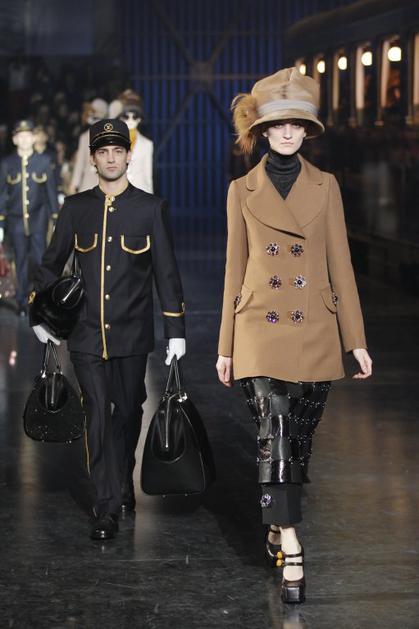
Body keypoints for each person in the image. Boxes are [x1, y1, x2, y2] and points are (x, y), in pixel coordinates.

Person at [216, 68, 372, 604]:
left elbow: (341, 265)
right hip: (258, 327)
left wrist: (355, 339)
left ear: (308, 130)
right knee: (276, 432)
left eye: (296, 124)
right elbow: (234, 268)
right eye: (277, 124)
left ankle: (275, 521)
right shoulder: (241, 191)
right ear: (262, 130)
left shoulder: (326, 187)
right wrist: (225, 346)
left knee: (298, 442)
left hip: (315, 329)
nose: (287, 132)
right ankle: (291, 543)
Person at [29, 118, 186, 541]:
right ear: (93, 159)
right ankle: (106, 504)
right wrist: (39, 313)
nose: (111, 158)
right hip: (85, 333)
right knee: (97, 414)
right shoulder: (75, 208)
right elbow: (50, 263)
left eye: (118, 151)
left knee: (129, 410)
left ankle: (121, 478)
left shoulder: (150, 209)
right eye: (103, 151)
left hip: (133, 334)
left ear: (128, 156)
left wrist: (176, 329)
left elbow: (166, 272)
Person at [0, 120, 58, 315]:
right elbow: (2, 194)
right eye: (20, 136)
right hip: (15, 219)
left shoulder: (44, 161)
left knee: (40, 258)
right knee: (20, 259)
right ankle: (22, 300)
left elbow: (50, 192)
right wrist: (1, 221)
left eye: (28, 135)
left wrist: (55, 217)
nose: (24, 139)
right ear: (15, 139)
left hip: (38, 218)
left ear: (34, 138)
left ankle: (42, 298)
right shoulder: (7, 164)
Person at [69, 98, 108, 194]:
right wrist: (74, 184)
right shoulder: (84, 137)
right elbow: (80, 162)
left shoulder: (111, 137)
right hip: (88, 183)